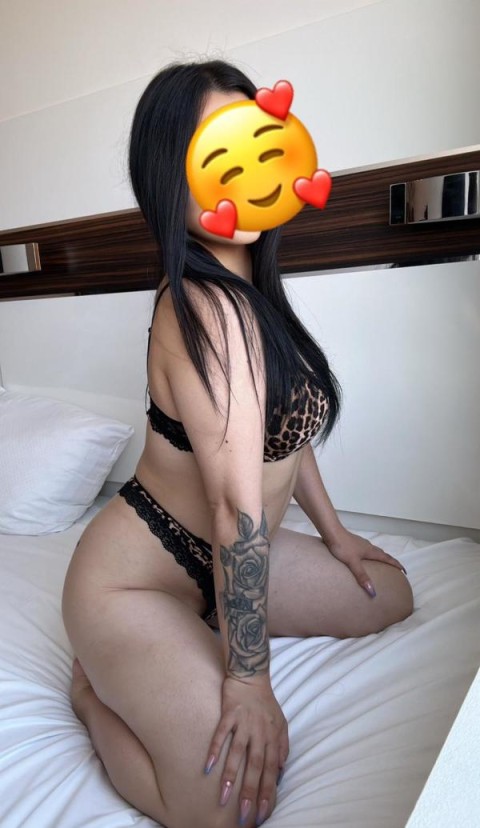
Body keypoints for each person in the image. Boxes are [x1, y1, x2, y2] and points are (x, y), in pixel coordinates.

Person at [61, 59, 414, 828]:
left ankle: (204, 628)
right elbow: (231, 503)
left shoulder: (253, 291)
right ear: (169, 173)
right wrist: (248, 681)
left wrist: (337, 535)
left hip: (229, 562)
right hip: (137, 582)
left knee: (391, 595)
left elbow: (281, 439)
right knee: (223, 810)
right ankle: (90, 697)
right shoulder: (201, 306)